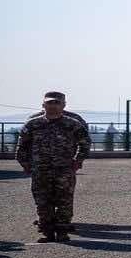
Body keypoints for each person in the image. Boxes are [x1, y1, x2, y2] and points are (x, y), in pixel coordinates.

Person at [15, 91, 90, 242]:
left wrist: (78, 161)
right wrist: (25, 164)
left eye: (57, 103)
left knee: (64, 201)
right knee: (42, 202)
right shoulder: (32, 124)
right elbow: (21, 147)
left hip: (64, 170)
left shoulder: (72, 124)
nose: (53, 106)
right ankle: (46, 231)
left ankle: (62, 232)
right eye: (50, 103)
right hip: (40, 170)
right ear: (43, 105)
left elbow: (85, 143)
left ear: (64, 105)